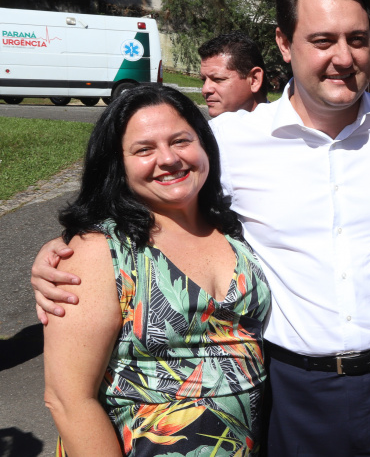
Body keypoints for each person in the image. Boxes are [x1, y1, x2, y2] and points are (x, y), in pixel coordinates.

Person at [33, 0, 370, 456]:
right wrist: (64, 252)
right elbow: (144, 193)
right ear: (283, 43)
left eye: (357, 39)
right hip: (292, 388)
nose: (343, 57)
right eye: (322, 40)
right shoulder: (229, 140)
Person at [43, 85, 271, 456]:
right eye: (144, 149)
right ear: (118, 164)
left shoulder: (234, 230)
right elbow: (67, 399)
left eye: (181, 141)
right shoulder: (99, 251)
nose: (168, 159)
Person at [198, 31, 269, 116]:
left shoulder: (283, 128)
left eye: (218, 79)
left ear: (254, 80)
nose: (205, 90)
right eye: (204, 80)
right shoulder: (206, 128)